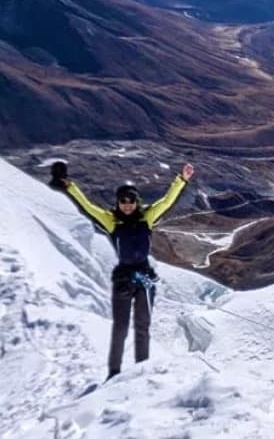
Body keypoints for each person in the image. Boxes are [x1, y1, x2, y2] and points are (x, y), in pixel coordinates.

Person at [49, 160, 194, 379]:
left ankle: (142, 370)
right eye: (123, 201)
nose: (127, 205)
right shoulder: (111, 221)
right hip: (124, 278)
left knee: (143, 327)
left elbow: (166, 202)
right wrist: (69, 186)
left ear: (137, 202)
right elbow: (87, 206)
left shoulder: (147, 217)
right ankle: (114, 374)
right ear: (118, 203)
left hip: (145, 276)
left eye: (131, 201)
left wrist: (181, 180)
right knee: (121, 328)